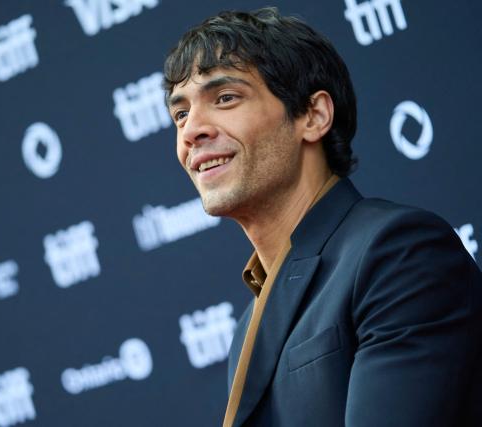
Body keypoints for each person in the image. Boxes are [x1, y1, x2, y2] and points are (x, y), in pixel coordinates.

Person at [163, 7, 482, 427]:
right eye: (180, 113)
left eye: (225, 98)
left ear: (313, 116)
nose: (191, 131)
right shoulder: (249, 326)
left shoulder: (398, 252)